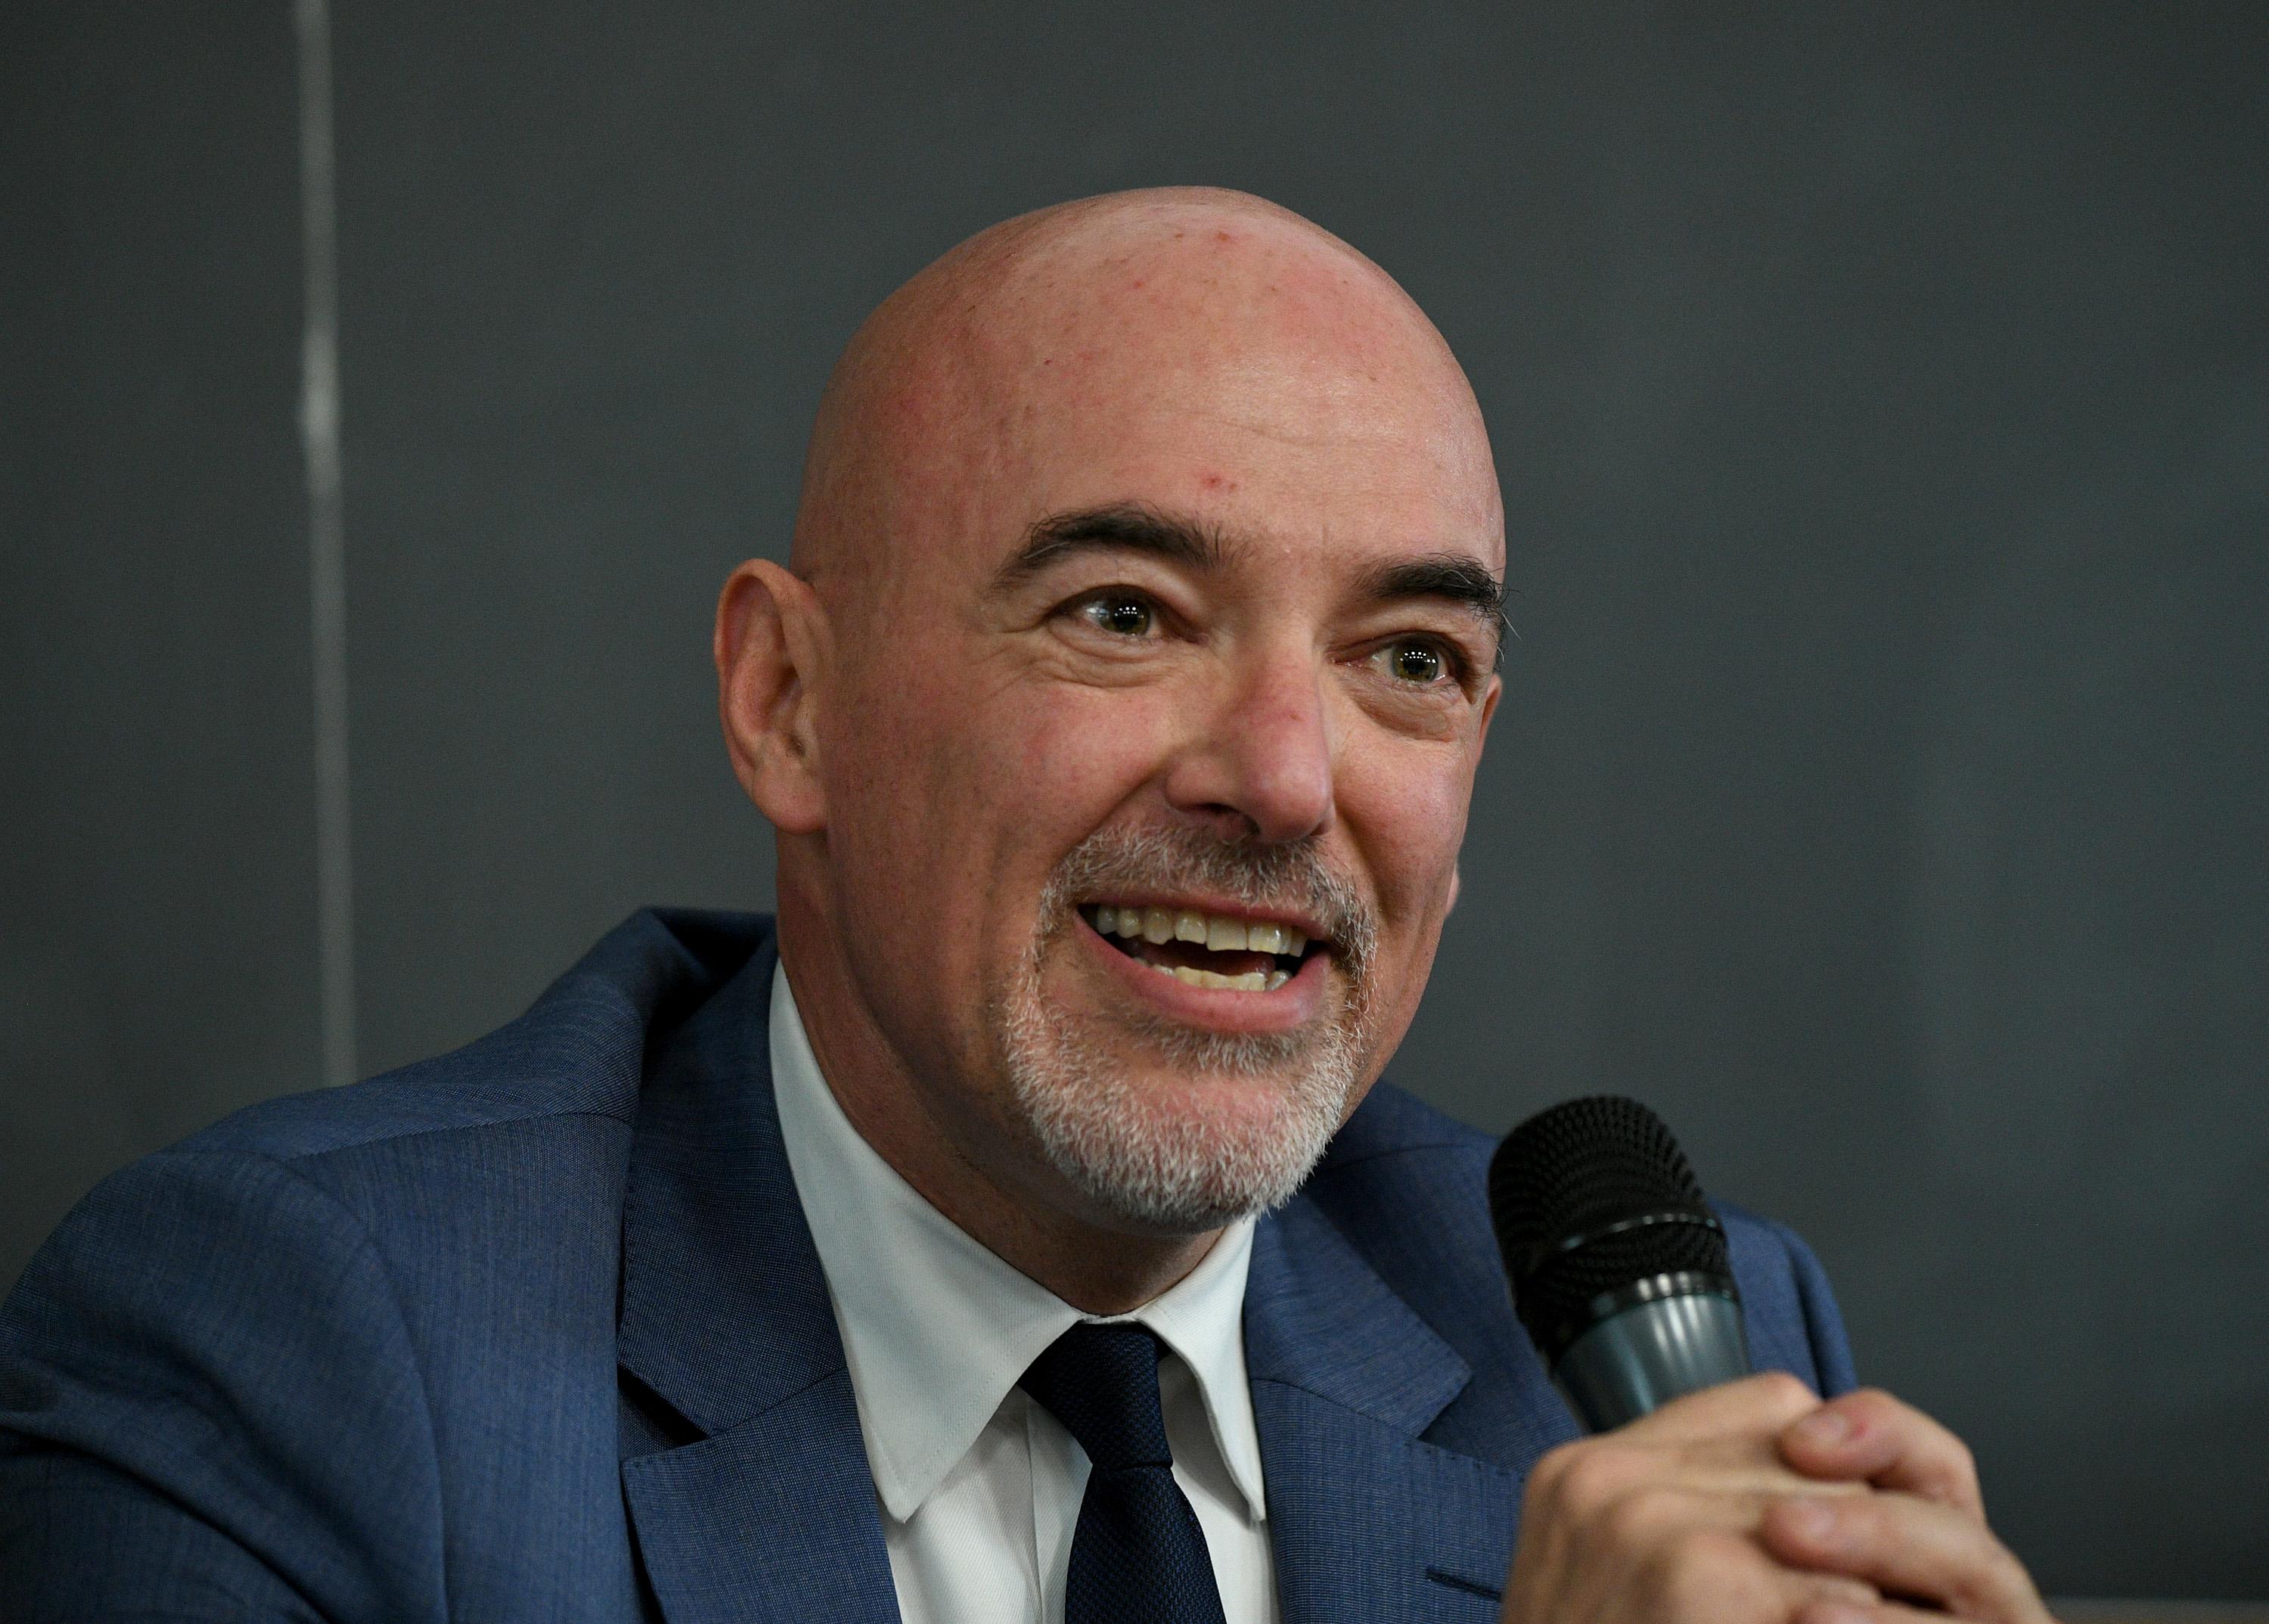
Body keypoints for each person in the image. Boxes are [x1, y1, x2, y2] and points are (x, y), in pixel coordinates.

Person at [0, 188, 2054, 1623]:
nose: (1284, 773)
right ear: (788, 701)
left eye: (1409, 656)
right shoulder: (299, 1358)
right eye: (1125, 613)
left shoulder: (1656, 1366)